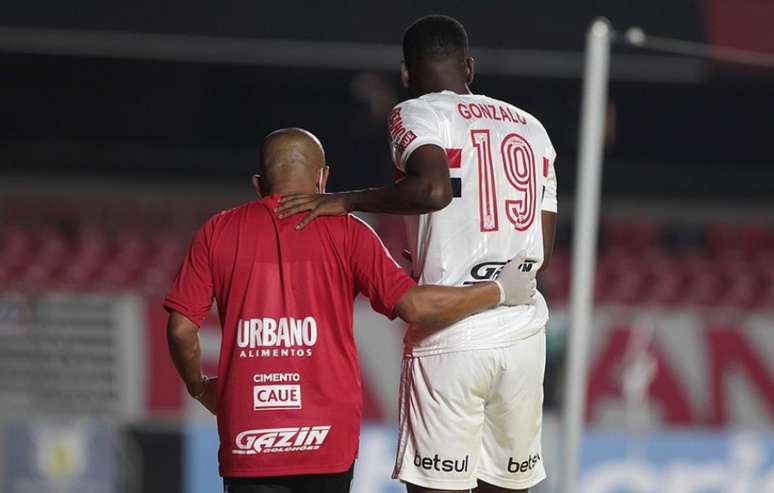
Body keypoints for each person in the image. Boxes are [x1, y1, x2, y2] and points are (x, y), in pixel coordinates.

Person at [164, 128, 539, 493]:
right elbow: (413, 305)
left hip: (250, 434)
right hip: (328, 438)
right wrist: (499, 289)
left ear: (259, 184)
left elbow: (181, 330)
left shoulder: (218, 231)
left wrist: (199, 387)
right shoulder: (348, 232)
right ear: (323, 178)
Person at [276, 15, 558, 493]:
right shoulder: (532, 128)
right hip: (522, 332)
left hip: (451, 333)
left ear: (406, 74)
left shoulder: (417, 113)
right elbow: (541, 247)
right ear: (469, 67)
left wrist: (346, 200)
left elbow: (432, 190)